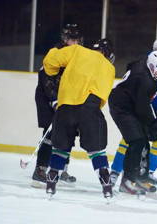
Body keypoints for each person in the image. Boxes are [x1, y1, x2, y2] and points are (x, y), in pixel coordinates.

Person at [42, 38, 116, 198]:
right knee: (97, 150)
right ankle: (106, 183)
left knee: (60, 147)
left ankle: (51, 180)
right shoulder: (110, 68)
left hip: (66, 107)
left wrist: (56, 51)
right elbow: (102, 97)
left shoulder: (77, 50)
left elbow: (50, 63)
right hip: (91, 109)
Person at [109, 36, 157, 188]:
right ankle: (119, 173)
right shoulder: (147, 73)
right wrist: (154, 122)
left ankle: (142, 175)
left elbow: (150, 97)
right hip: (125, 106)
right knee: (135, 141)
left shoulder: (156, 66)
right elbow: (143, 102)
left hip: (133, 104)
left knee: (145, 141)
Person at [32, 24, 83, 188]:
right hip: (46, 96)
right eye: (72, 39)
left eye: (77, 39)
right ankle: (40, 169)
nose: (75, 43)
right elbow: (46, 78)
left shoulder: (77, 53)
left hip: (64, 96)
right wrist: (53, 99)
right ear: (65, 39)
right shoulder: (55, 53)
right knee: (50, 131)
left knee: (68, 132)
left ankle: (61, 169)